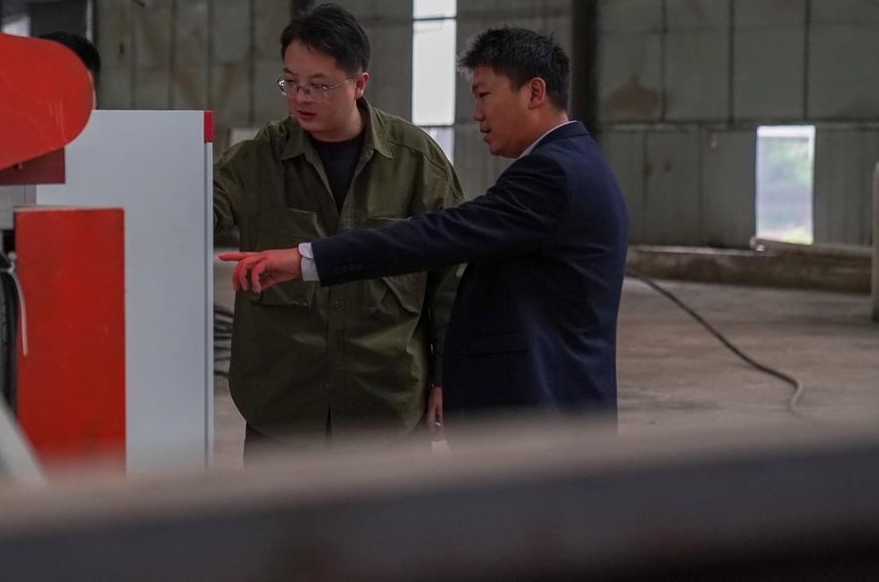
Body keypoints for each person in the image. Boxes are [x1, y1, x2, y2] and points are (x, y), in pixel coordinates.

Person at [222, 27, 629, 423]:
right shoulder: (573, 163)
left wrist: (305, 258)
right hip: (289, 406)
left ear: (535, 92)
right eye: (292, 83)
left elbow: (437, 238)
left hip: (545, 413)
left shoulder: (552, 175)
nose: (477, 113)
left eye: (484, 95)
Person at [214, 3, 464, 455]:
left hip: (386, 404)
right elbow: (198, 209)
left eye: (318, 86)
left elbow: (452, 279)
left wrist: (448, 377)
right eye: (290, 83)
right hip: (283, 410)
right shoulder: (258, 161)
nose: (301, 98)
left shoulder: (416, 163)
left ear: (359, 84)